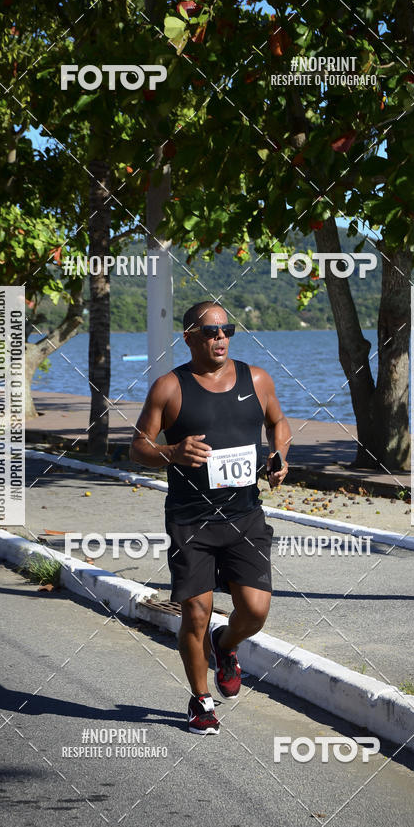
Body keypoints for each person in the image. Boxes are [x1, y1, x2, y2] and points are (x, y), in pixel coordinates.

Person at [130, 301, 290, 734]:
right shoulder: (169, 386)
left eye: (227, 330)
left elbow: (279, 424)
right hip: (190, 519)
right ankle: (200, 701)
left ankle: (226, 644)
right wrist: (170, 452)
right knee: (196, 613)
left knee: (254, 612)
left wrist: (279, 456)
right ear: (189, 337)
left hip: (245, 516)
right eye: (210, 331)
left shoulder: (256, 378)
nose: (220, 338)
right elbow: (138, 446)